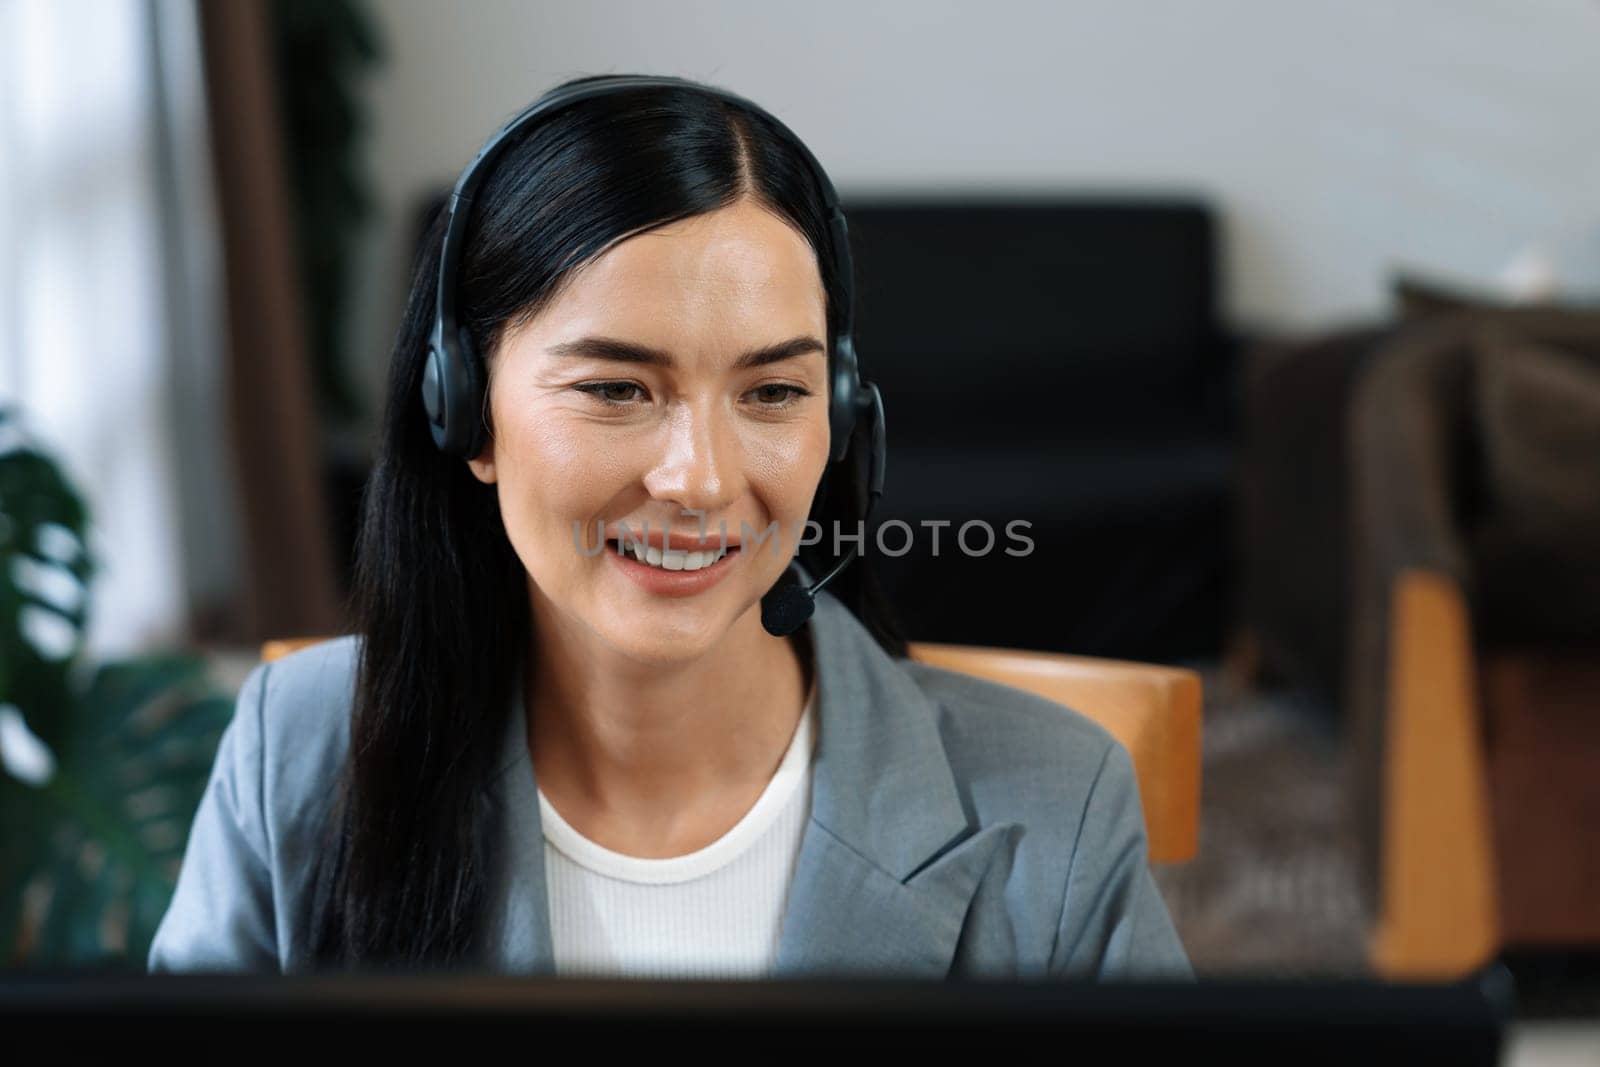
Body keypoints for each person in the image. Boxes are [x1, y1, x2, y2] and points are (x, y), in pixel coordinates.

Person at [147, 73, 1192, 980]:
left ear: (846, 428)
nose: (699, 478)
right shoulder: (297, 747)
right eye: (615, 387)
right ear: (462, 412)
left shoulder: (1056, 799)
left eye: (774, 392)